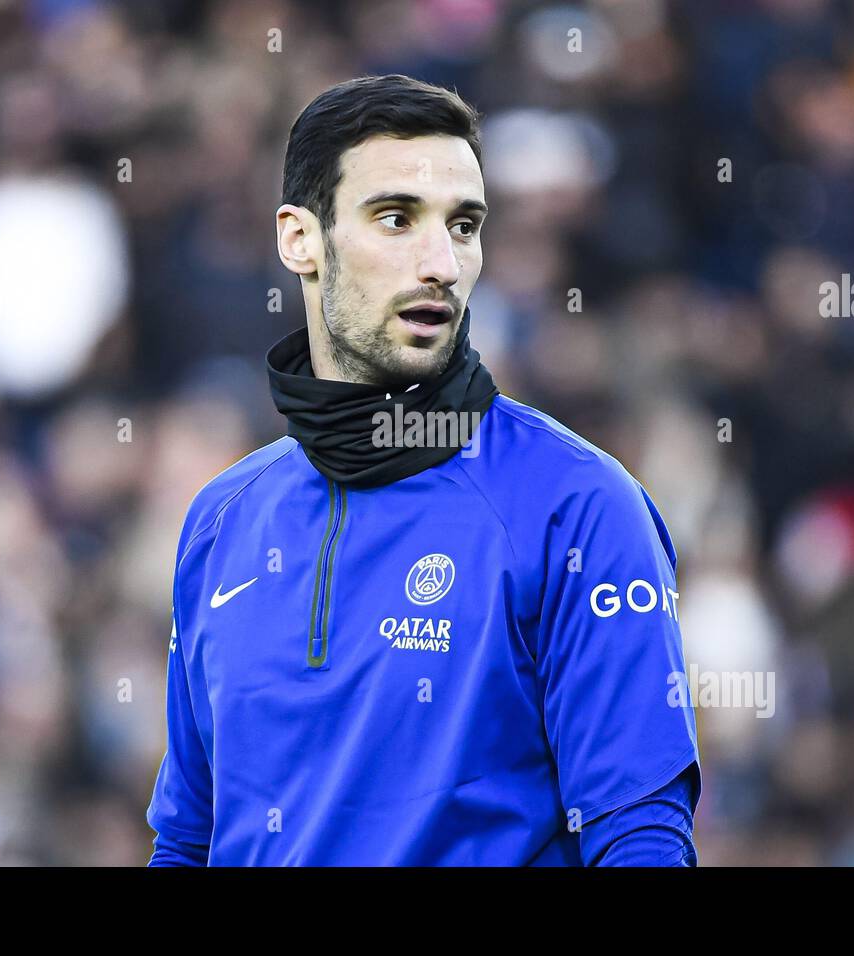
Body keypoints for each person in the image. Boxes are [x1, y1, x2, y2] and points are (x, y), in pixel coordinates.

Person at [147, 74, 700, 866]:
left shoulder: (578, 504)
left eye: (465, 225)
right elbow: (185, 843)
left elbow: (640, 837)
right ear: (301, 239)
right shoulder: (221, 520)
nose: (442, 261)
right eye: (397, 218)